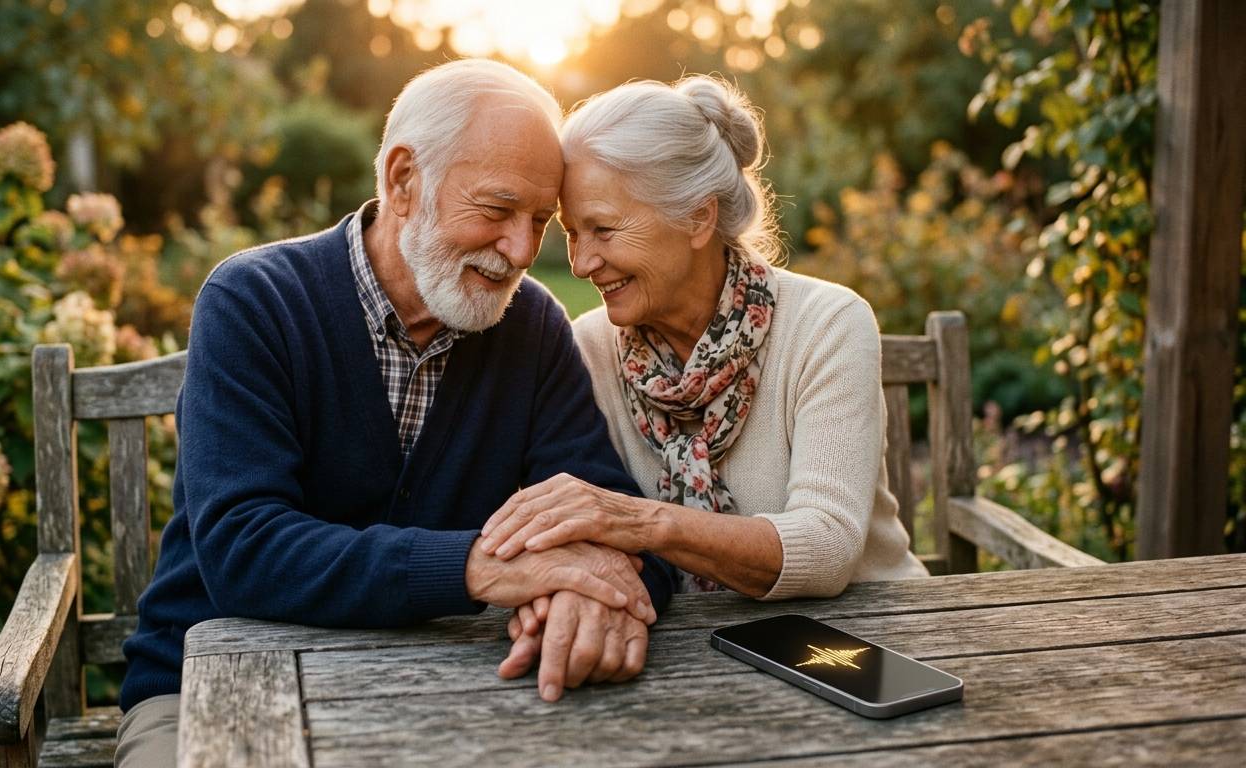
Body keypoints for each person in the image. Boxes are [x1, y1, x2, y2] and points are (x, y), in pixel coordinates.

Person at [115, 60, 678, 767]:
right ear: (404, 181)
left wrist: (587, 596)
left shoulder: (532, 327)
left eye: (540, 221)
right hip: (211, 685)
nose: (522, 251)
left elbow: (614, 520)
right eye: (498, 210)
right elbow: (243, 549)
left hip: (445, 690)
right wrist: (476, 567)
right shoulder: (253, 300)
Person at [481, 77, 926, 667]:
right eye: (572, 233)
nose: (583, 263)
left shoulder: (827, 323)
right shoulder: (588, 345)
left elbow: (826, 546)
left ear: (697, 218)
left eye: (605, 230)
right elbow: (584, 542)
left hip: (877, 639)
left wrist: (639, 520)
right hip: (692, 651)